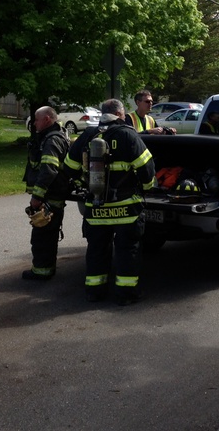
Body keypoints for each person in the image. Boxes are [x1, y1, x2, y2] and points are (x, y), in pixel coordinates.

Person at [64, 99, 157, 305]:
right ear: (120, 114)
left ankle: (94, 292)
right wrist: (147, 187)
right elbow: (146, 168)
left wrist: (83, 182)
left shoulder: (88, 135)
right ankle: (126, 294)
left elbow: (69, 167)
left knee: (97, 250)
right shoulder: (128, 135)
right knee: (127, 251)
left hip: (96, 207)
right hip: (126, 209)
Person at [21, 106, 71, 281]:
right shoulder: (52, 137)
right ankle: (45, 269)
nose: (34, 123)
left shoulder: (52, 140)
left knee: (42, 237)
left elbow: (49, 170)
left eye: (37, 119)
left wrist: (37, 197)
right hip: (52, 196)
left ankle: (41, 272)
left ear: (47, 119)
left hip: (50, 197)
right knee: (46, 236)